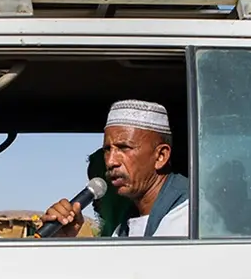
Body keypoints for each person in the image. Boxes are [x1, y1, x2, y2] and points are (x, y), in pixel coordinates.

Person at [42, 99, 188, 238]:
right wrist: (63, 240)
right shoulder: (124, 227)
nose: (111, 161)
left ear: (160, 156)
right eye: (107, 149)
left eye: (124, 148)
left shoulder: (191, 217)